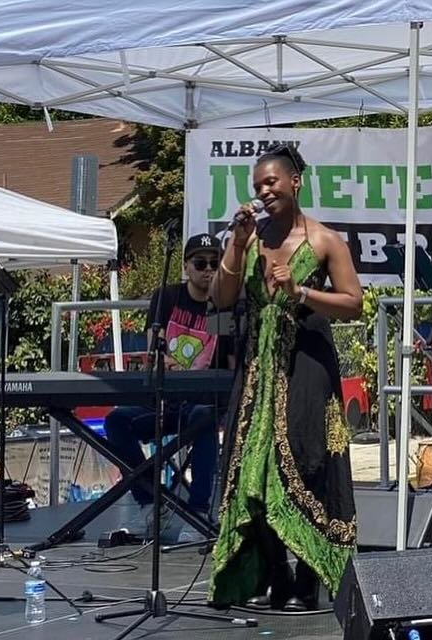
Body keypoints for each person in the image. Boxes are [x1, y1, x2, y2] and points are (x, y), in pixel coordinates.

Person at [208, 143, 364, 611]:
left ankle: (309, 575)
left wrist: (300, 291)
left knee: (304, 459)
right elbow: (220, 297)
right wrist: (236, 243)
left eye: (271, 181)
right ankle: (272, 573)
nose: (264, 190)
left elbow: (354, 302)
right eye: (257, 185)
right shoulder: (249, 240)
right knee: (252, 469)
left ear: (295, 182)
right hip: (258, 368)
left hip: (307, 366)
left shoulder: (324, 240)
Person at [103, 233, 227, 543]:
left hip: (199, 405)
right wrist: (163, 362)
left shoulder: (222, 307)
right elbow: (153, 348)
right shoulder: (167, 298)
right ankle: (150, 503)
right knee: (116, 421)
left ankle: (198, 511)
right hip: (163, 401)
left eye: (215, 263)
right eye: (201, 263)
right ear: (186, 266)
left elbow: (228, 362)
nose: (208, 269)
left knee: (205, 416)